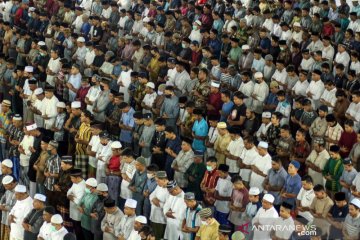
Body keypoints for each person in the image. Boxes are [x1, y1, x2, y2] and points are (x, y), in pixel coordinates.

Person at [67, 168, 86, 240]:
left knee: (79, 232)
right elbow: (68, 193)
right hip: (73, 210)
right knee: (75, 229)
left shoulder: (83, 186)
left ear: (78, 178)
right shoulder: (75, 183)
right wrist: (71, 196)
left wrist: (71, 197)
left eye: (72, 178)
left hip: (78, 214)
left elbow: (79, 201)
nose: (71, 179)